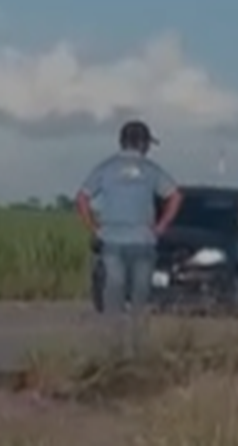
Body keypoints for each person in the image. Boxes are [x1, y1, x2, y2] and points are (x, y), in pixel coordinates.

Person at [74, 120, 182, 354]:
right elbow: (175, 195)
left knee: (114, 291)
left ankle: (112, 347)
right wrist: (161, 226)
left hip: (111, 239)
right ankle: (137, 348)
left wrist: (93, 228)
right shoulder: (152, 170)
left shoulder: (107, 167)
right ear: (143, 144)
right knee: (140, 297)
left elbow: (82, 198)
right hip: (143, 240)